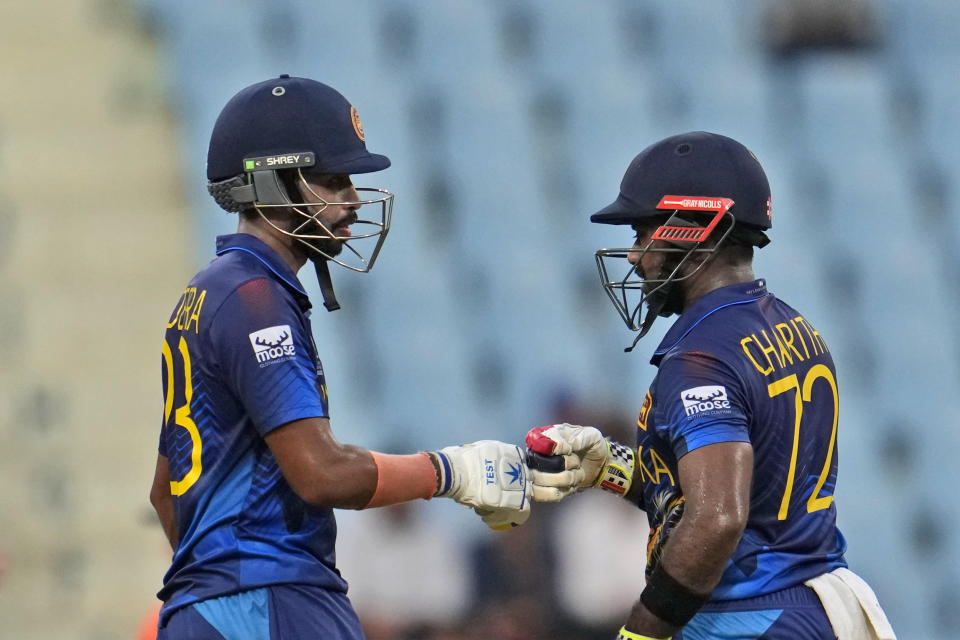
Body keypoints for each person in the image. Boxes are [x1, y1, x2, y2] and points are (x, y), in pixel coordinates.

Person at [150, 75, 531, 640]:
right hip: (272, 603)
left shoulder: (212, 291)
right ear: (272, 185)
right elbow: (321, 475)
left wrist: (217, 588)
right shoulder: (255, 298)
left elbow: (165, 493)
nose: (352, 198)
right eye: (332, 180)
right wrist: (453, 471)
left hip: (204, 612)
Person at [525, 132, 897, 640]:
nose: (635, 256)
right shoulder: (793, 326)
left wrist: (640, 633)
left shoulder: (700, 359)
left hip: (746, 618)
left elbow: (717, 519)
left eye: (643, 233)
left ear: (692, 232)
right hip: (813, 605)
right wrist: (610, 469)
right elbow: (742, 487)